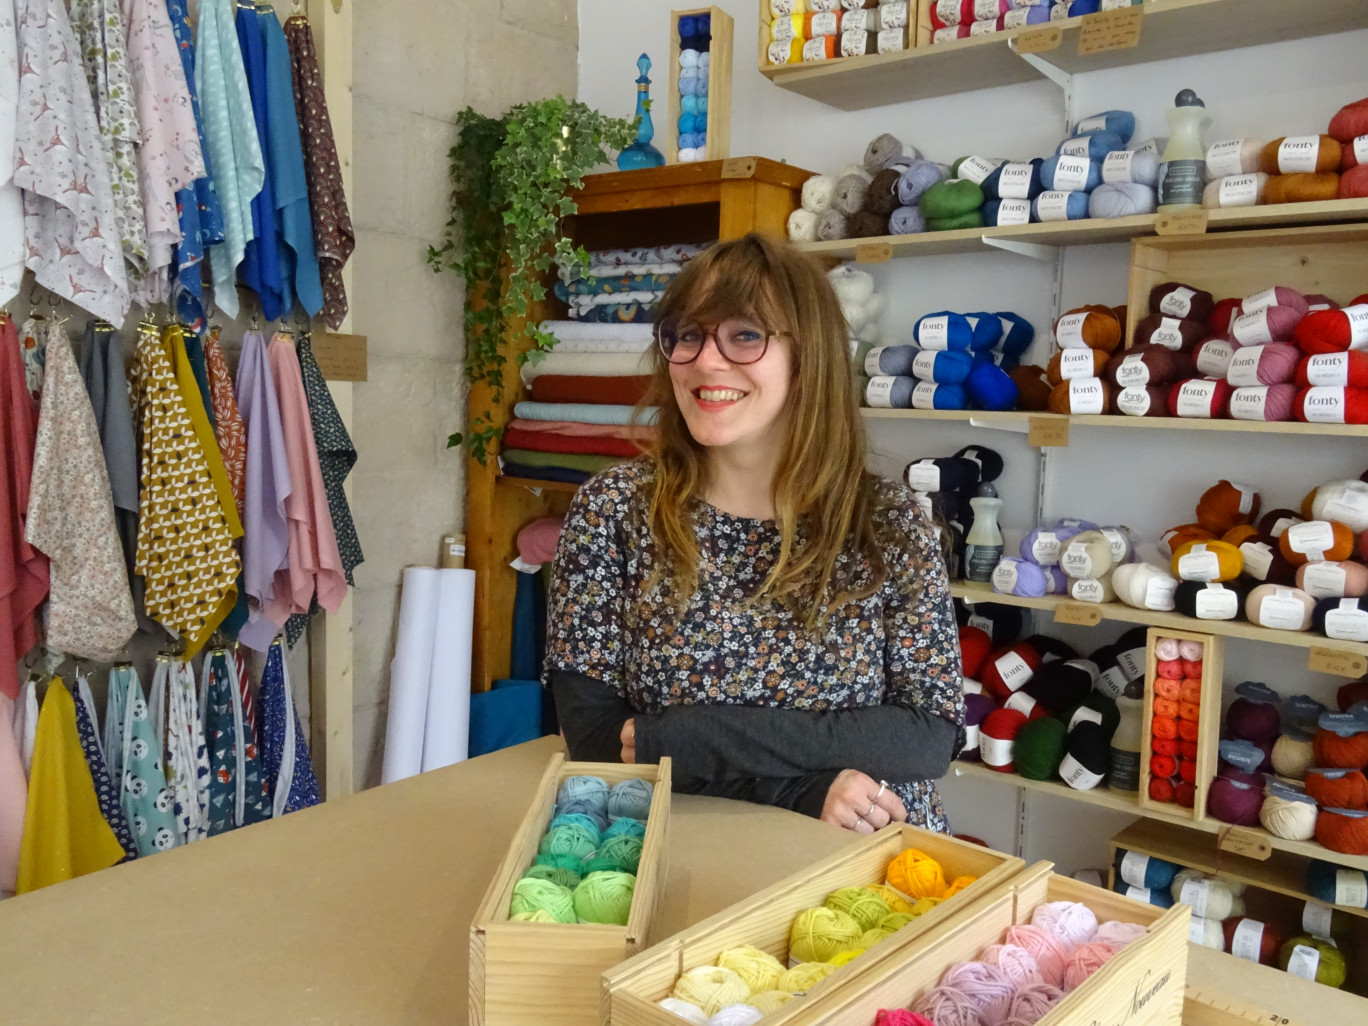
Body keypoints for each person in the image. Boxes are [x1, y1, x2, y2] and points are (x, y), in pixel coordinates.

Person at [544, 233, 964, 834]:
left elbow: (927, 737)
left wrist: (687, 735)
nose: (706, 361)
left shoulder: (888, 524)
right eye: (686, 335)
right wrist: (796, 789)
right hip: (679, 848)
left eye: (745, 334)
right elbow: (593, 739)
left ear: (807, 356)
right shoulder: (614, 511)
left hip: (865, 859)